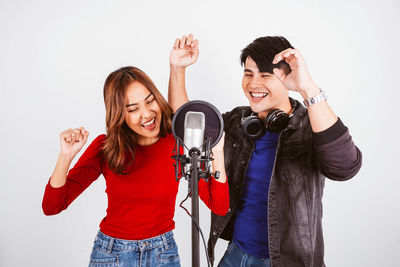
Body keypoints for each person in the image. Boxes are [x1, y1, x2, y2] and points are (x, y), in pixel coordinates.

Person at [168, 35, 362, 267]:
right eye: (248, 74)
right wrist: (177, 69)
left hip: (289, 262)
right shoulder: (237, 122)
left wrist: (307, 87)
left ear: (287, 78)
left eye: (265, 75)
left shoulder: (311, 125)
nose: (253, 84)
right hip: (236, 255)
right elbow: (187, 123)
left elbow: (346, 167)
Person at [42, 66, 229, 266]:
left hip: (163, 253)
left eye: (150, 101)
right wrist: (65, 156)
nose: (147, 114)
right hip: (111, 254)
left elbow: (219, 206)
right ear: (119, 114)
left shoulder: (177, 143)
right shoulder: (105, 148)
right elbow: (52, 206)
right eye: (133, 109)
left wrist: (217, 153)